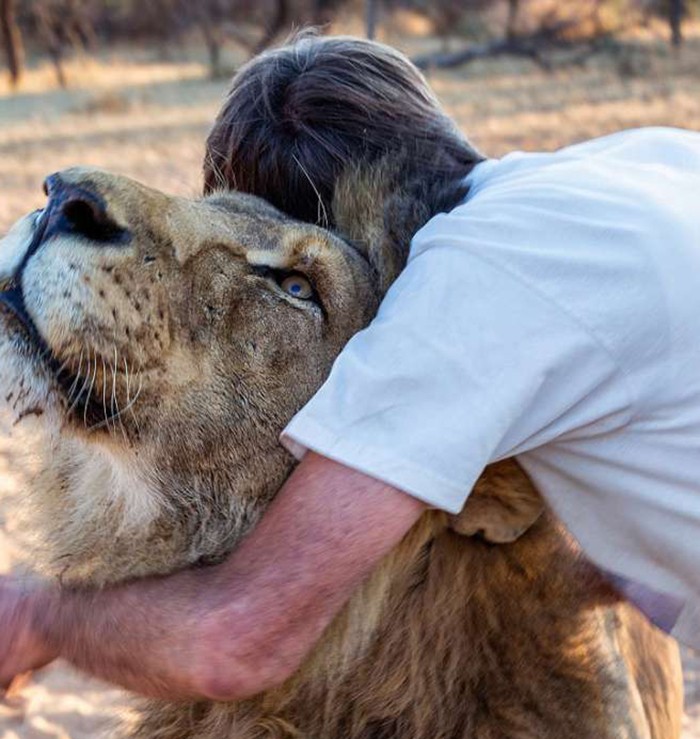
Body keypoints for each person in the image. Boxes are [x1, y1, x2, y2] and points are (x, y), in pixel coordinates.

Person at [1, 34, 700, 702]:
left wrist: (41, 618)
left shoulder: (460, 299)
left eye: (291, 278)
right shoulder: (635, 163)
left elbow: (235, 638)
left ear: (359, 240)